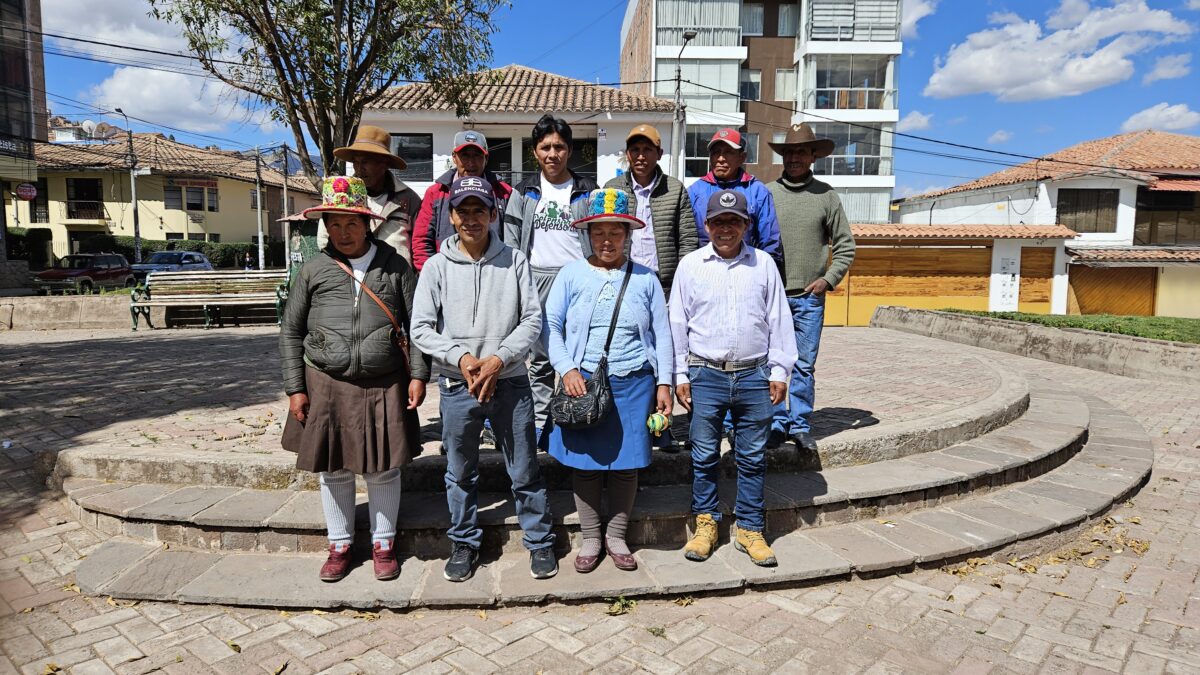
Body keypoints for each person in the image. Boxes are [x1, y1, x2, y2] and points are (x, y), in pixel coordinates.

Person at [279, 176, 429, 583]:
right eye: (335, 224)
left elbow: (417, 325)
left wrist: (419, 374)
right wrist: (295, 388)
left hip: (385, 382)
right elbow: (291, 331)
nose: (343, 232)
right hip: (325, 382)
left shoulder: (395, 267)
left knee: (383, 468)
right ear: (325, 226)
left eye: (351, 223)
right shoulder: (314, 270)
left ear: (368, 225)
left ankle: (384, 543)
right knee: (335, 468)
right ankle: (340, 544)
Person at [410, 176, 557, 582]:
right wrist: (462, 358)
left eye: (480, 210)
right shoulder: (436, 267)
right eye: (464, 211)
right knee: (459, 472)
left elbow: (532, 320)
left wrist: (498, 359)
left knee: (524, 468)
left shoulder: (515, 261)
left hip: (510, 381)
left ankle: (539, 541)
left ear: (493, 214)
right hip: (458, 385)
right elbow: (420, 327)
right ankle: (463, 542)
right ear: (452, 216)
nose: (471, 219)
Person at [544, 188, 674, 573]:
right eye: (599, 232)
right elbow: (550, 326)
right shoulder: (570, 275)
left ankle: (616, 537)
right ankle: (590, 538)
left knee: (626, 465)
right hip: (583, 383)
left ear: (627, 235)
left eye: (615, 232)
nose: (607, 240)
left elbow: (663, 335)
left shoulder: (646, 279)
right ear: (588, 234)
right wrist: (567, 368)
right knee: (585, 465)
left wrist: (664, 383)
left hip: (635, 383)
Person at [669, 190, 797, 567]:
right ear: (707, 225)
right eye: (719, 222)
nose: (726, 229)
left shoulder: (763, 264)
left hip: (755, 375)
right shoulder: (691, 265)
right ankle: (706, 524)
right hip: (705, 374)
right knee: (704, 454)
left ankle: (750, 528)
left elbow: (779, 318)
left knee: (753, 456)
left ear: (746, 225)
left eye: (734, 221)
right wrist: (680, 374)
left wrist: (780, 370)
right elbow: (677, 322)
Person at [503, 114, 599, 443]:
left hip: (578, 280)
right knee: (540, 357)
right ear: (535, 152)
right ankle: (542, 424)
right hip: (536, 279)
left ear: (569, 150)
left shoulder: (588, 190)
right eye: (545, 147)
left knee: (579, 352)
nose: (552, 154)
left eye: (559, 147)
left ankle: (581, 415)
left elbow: (599, 235)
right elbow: (511, 242)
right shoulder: (523, 192)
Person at [766, 124, 857, 452]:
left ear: (813, 156)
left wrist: (828, 280)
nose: (794, 158)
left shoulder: (826, 196)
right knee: (772, 363)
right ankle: (776, 422)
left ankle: (800, 424)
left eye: (801, 152)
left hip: (809, 299)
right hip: (772, 298)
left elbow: (846, 246)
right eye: (789, 152)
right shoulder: (767, 193)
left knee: (804, 365)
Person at [603, 124, 699, 292]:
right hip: (622, 278)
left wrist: (682, 277)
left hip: (664, 284)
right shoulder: (612, 189)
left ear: (659, 154)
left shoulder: (675, 189)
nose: (641, 156)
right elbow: (602, 233)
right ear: (627, 154)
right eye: (635, 150)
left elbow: (687, 239)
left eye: (647, 149)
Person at [317, 125, 422, 264]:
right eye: (356, 162)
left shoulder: (408, 199)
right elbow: (324, 240)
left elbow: (420, 245)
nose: (359, 168)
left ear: (384, 163)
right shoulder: (340, 195)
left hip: (397, 275)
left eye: (366, 162)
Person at [411, 130, 514, 273]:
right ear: (454, 157)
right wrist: (432, 275)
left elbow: (512, 239)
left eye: (477, 155)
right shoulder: (436, 193)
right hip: (446, 274)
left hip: (494, 272)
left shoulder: (504, 192)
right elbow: (421, 241)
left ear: (486, 158)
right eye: (465, 155)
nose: (471, 162)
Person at [687, 128, 782, 267]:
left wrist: (766, 272)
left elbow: (770, 242)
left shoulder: (758, 191)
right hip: (705, 270)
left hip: (748, 269)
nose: (720, 159)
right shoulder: (694, 192)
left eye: (728, 152)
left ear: (742, 158)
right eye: (716, 152)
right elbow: (686, 241)